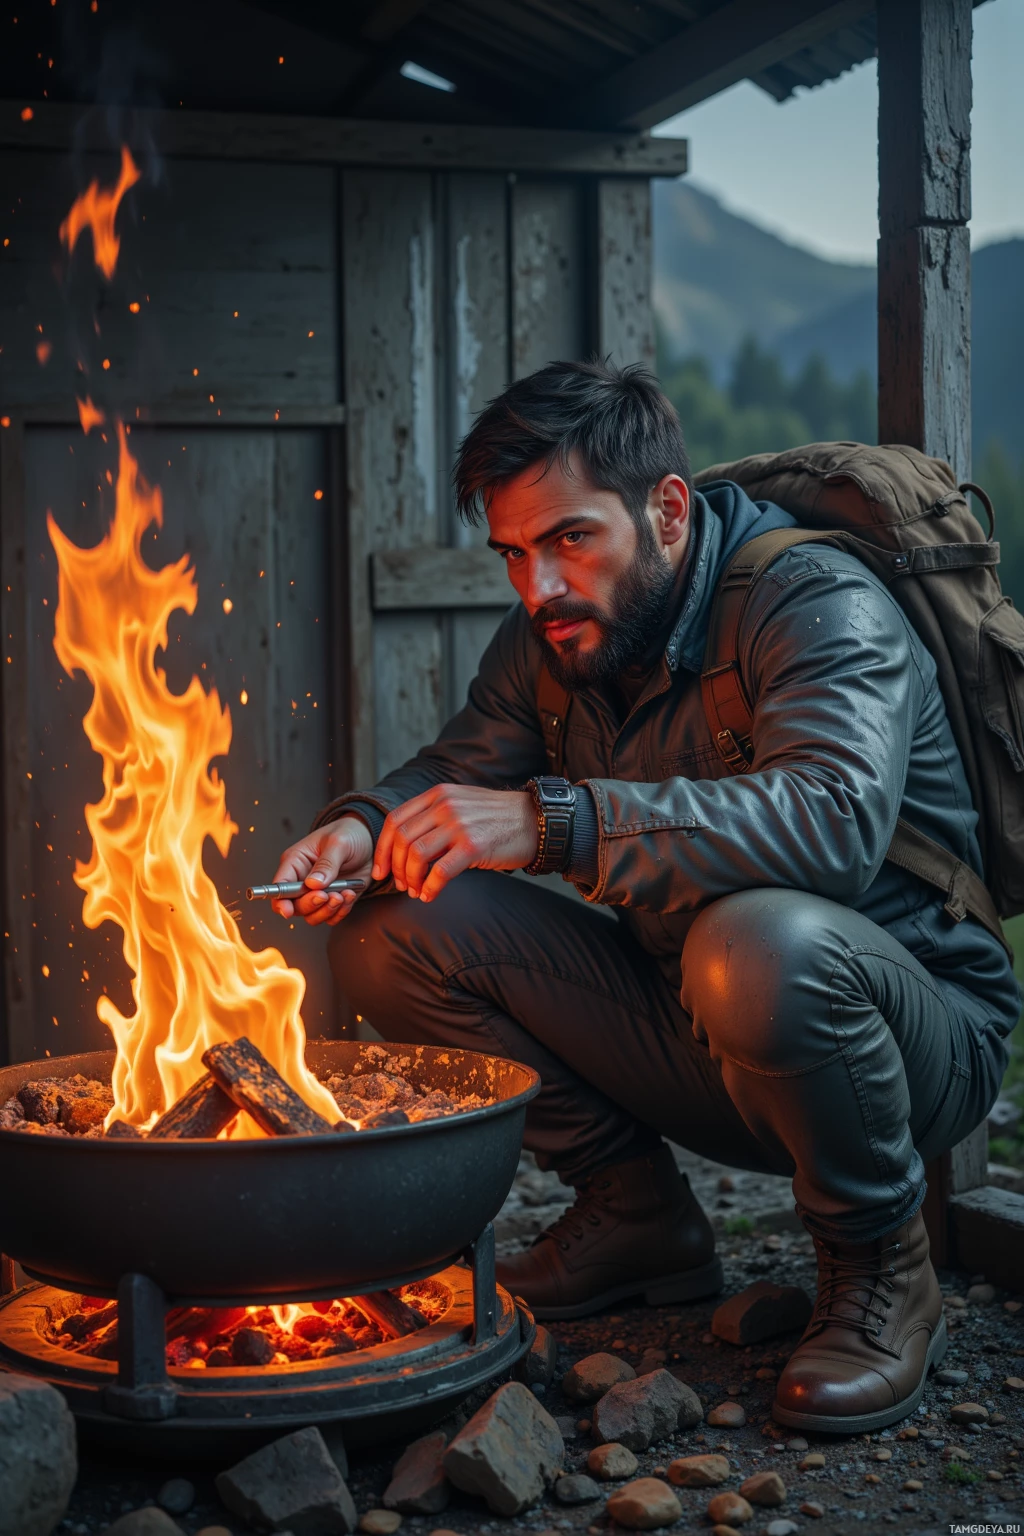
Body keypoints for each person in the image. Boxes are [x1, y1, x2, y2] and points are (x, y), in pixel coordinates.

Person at [272, 359, 1019, 1434]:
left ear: (666, 511)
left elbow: (833, 821)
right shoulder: (557, 634)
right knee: (397, 920)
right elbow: (457, 774)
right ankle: (634, 1218)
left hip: (908, 1036)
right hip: (696, 1021)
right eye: (515, 554)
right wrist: (359, 827)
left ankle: (880, 1271)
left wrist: (551, 819)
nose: (537, 588)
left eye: (571, 539)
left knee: (757, 942)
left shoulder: (816, 602)